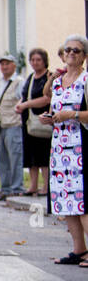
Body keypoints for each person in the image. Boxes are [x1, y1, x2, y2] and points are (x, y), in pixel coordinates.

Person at [43, 35, 88, 266]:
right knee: (66, 198)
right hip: (60, 146)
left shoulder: (86, 79)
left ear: (84, 56)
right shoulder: (60, 82)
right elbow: (52, 104)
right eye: (68, 49)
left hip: (81, 144)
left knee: (83, 200)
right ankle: (79, 249)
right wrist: (50, 118)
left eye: (77, 51)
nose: (71, 53)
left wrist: (71, 115)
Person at [17, 47, 53, 197]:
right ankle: (32, 185)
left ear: (44, 61)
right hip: (29, 121)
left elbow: (47, 98)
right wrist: (20, 104)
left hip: (42, 119)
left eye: (38, 59)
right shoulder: (31, 77)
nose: (35, 62)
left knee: (43, 155)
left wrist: (26, 104)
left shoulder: (49, 77)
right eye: (32, 60)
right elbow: (25, 95)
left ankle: (45, 186)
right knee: (31, 155)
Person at [0, 52, 24, 200]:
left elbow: (22, 100)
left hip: (14, 123)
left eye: (7, 64)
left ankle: (17, 187)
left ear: (13, 65)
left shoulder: (19, 81)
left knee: (15, 156)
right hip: (0, 125)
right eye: (2, 64)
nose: (4, 67)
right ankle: (5, 187)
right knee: (2, 158)